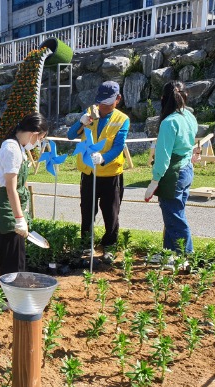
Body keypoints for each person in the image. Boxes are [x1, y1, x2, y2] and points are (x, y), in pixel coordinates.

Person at [67, 81, 130, 261]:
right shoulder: (90, 112)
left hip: (110, 174)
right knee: (87, 210)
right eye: (101, 101)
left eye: (108, 102)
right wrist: (81, 122)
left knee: (111, 212)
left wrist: (104, 158)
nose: (102, 106)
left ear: (118, 99)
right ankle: (86, 244)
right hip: (89, 173)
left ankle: (109, 245)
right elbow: (71, 135)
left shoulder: (122, 119)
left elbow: (118, 146)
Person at [0, 112, 48, 274]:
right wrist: (19, 218)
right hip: (6, 206)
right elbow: (11, 188)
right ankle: (10, 296)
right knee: (12, 257)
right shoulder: (12, 149)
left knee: (16, 254)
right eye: (40, 139)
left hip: (11, 205)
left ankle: (12, 295)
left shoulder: (17, 147)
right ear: (34, 134)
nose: (38, 143)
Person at [144, 80, 197, 255]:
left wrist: (154, 180)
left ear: (163, 99)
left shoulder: (168, 123)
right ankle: (169, 253)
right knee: (175, 213)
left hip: (173, 175)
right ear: (185, 96)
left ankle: (185, 255)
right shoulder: (189, 116)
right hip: (187, 170)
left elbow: (163, 157)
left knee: (175, 218)